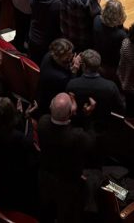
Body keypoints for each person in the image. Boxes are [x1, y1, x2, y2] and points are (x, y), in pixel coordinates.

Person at [37, 93, 96, 223]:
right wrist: (87, 117)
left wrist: (70, 112)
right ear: (70, 113)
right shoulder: (77, 137)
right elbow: (91, 140)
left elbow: (60, 124)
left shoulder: (42, 123)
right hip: (68, 185)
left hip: (46, 178)